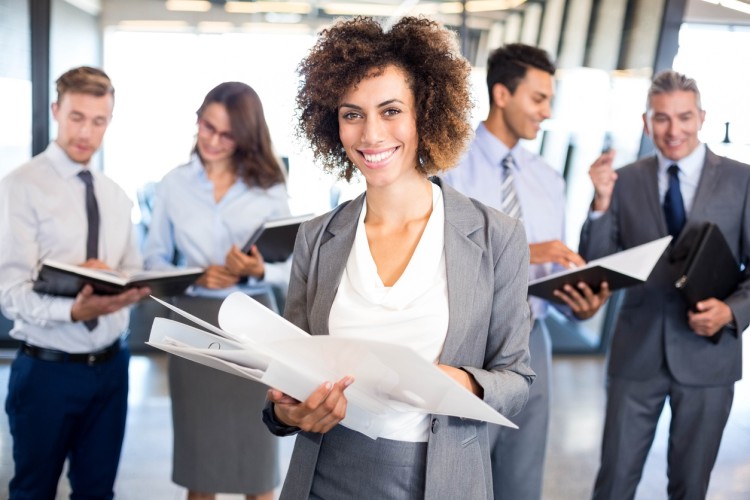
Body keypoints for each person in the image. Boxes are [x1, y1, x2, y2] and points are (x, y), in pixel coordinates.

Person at [261, 16, 535, 499]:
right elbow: (290, 381)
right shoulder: (316, 239)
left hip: (440, 479)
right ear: (333, 124)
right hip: (327, 474)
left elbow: (517, 379)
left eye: (391, 111)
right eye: (352, 114)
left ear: (425, 113)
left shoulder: (496, 236)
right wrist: (287, 411)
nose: (371, 134)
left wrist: (465, 383)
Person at [442, 43, 611, 500]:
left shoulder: (548, 179)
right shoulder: (449, 168)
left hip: (533, 341)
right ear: (502, 94)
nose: (547, 112)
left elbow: (546, 273)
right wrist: (525, 251)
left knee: (522, 479)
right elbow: (440, 255)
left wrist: (578, 301)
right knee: (463, 477)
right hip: (467, 344)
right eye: (538, 99)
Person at [581, 69, 750, 499]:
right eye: (661, 118)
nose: (674, 130)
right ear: (645, 122)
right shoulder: (623, 180)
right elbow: (598, 262)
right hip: (637, 351)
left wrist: (733, 311)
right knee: (615, 481)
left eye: (684, 117)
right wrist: (600, 201)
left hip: (709, 356)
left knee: (690, 486)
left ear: (702, 117)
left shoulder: (741, 179)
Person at [0, 66, 150, 498]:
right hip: (47, 371)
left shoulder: (116, 196)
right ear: (56, 111)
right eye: (76, 117)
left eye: (98, 121)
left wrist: (125, 287)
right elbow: (10, 294)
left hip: (110, 369)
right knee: (34, 491)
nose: (86, 132)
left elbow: (132, 269)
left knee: (98, 492)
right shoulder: (21, 187)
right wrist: (72, 308)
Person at [143, 81, 289, 500]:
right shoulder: (174, 184)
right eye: (207, 126)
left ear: (245, 137)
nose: (212, 140)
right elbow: (152, 261)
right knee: (200, 464)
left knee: (257, 465)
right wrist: (193, 275)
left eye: (226, 134)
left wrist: (256, 270)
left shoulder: (269, 186)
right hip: (192, 323)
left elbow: (293, 266)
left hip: (253, 325)